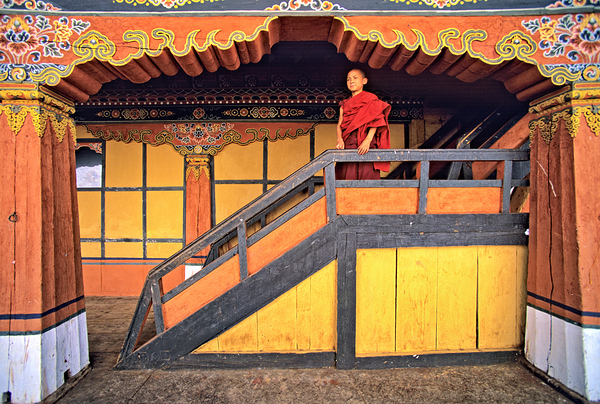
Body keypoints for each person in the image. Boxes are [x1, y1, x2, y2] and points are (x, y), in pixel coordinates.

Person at [335, 68, 391, 180]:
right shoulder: (344, 104)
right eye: (348, 79)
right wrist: (339, 139)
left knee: (368, 177)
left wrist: (367, 140)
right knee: (347, 177)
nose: (351, 81)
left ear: (364, 81)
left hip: (367, 145)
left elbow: (376, 122)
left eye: (355, 78)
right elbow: (339, 125)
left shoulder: (371, 100)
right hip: (349, 144)